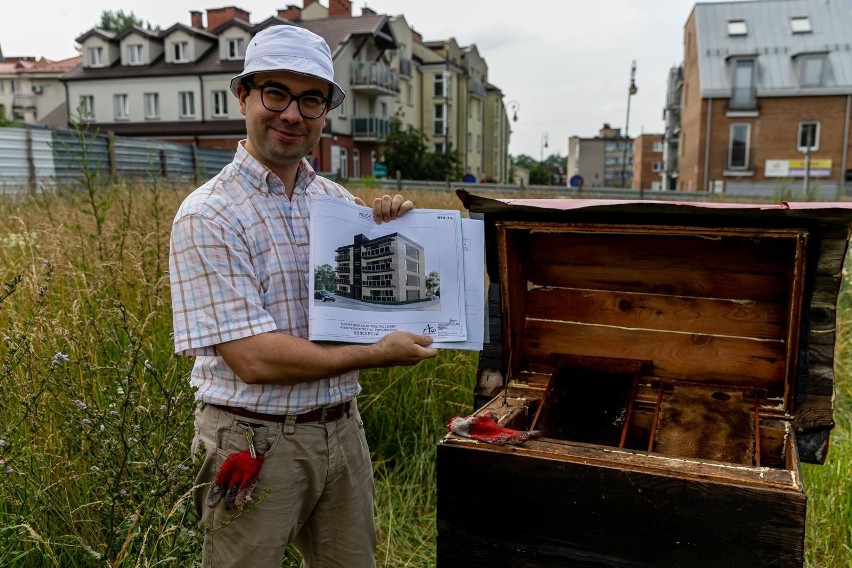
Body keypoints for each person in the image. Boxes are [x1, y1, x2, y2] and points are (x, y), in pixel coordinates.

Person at [168, 24, 438, 568]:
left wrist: (391, 225)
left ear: (325, 112)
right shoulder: (209, 213)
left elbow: (374, 293)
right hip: (251, 441)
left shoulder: (335, 203)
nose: (292, 114)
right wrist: (379, 354)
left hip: (342, 428)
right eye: (276, 93)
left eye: (310, 99)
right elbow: (253, 358)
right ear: (242, 95)